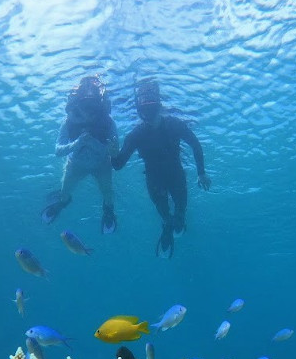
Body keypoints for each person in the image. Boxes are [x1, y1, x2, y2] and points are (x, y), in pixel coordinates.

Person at [112, 79, 211, 257]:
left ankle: (174, 222)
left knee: (179, 214)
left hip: (171, 176)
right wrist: (111, 151)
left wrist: (201, 172)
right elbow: (118, 165)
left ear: (159, 107)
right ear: (141, 113)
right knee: (167, 216)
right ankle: (167, 225)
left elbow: (195, 144)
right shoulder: (137, 134)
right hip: (157, 178)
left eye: (152, 110)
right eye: (145, 112)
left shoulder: (172, 125)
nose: (149, 116)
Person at [41, 76, 119, 234]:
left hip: (101, 164)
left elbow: (115, 152)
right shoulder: (69, 121)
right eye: (85, 106)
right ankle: (62, 202)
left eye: (93, 107)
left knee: (108, 195)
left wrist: (104, 147)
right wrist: (77, 143)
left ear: (100, 105)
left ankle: (108, 210)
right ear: (78, 104)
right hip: (76, 164)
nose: (89, 113)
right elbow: (58, 150)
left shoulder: (108, 122)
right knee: (64, 193)